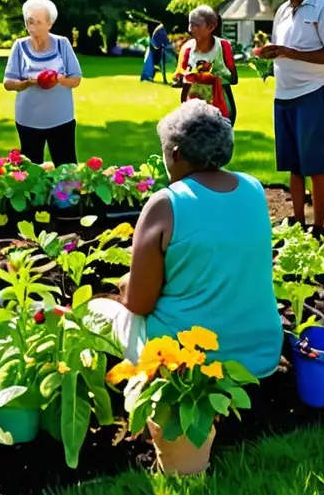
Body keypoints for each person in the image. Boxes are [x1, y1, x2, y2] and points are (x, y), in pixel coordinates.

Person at [89, 101, 281, 378]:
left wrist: (126, 285)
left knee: (94, 311)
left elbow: (138, 304)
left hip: (186, 363)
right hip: (260, 358)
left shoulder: (167, 203)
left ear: (176, 154)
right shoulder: (253, 188)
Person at [256, 0, 324, 235]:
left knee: (315, 163)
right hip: (285, 93)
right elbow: (282, 48)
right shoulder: (282, 10)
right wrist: (268, 57)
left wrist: (286, 52)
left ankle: (318, 227)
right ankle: (298, 222)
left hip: (315, 92)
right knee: (293, 164)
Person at [3, 0, 83, 165]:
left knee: (67, 169)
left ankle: (67, 192)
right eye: (29, 21)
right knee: (30, 171)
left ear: (50, 24)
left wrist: (60, 80)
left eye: (39, 22)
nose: (33, 27)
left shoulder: (62, 44)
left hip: (61, 119)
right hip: (28, 120)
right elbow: (8, 82)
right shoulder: (19, 46)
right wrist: (25, 84)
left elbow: (76, 79)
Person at [172, 6, 239, 124]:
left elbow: (233, 79)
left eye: (196, 25)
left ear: (211, 27)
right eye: (190, 24)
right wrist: (185, 77)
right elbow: (179, 79)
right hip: (193, 106)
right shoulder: (187, 48)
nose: (191, 29)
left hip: (221, 105)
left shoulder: (223, 46)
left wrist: (212, 76)